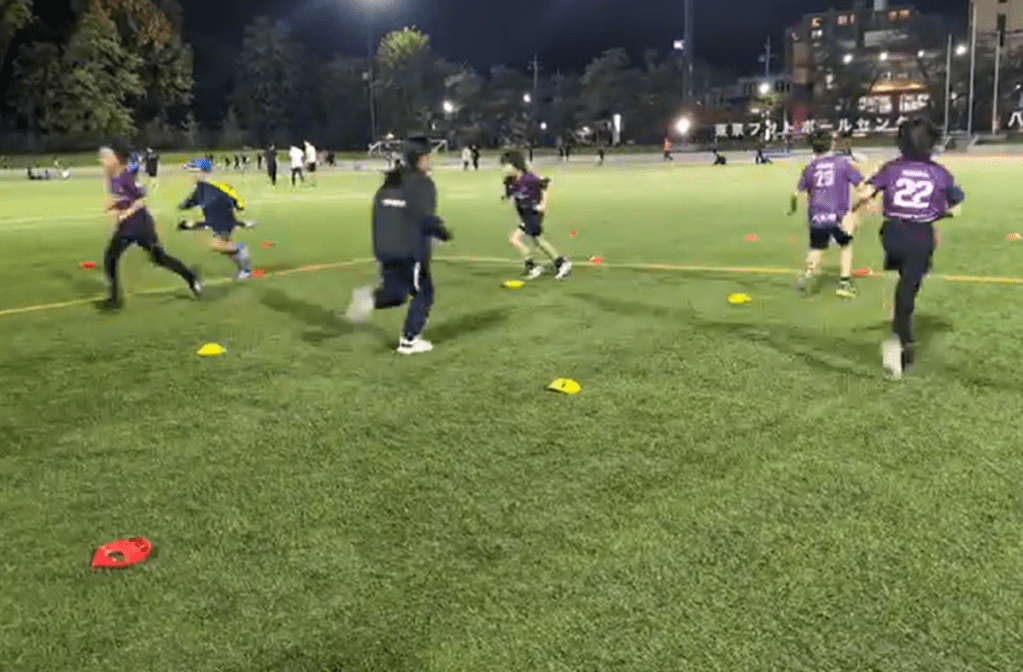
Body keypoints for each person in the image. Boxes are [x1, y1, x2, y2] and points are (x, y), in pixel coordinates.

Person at [851, 118, 965, 380]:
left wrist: (852, 212)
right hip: (920, 235)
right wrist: (940, 212)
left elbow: (866, 193)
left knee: (903, 271)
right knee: (909, 286)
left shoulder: (891, 168)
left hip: (892, 233)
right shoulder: (940, 173)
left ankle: (899, 333)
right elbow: (957, 207)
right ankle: (901, 340)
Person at [345, 136, 453, 355]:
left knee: (396, 294)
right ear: (420, 158)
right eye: (429, 156)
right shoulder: (423, 183)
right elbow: (425, 218)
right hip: (409, 250)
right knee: (423, 292)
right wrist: (443, 233)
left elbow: (380, 215)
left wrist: (382, 247)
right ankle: (409, 341)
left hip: (385, 248)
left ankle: (369, 300)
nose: (431, 160)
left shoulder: (390, 182)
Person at [98, 144, 202, 310]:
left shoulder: (126, 177)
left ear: (115, 159)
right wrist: (113, 208)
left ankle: (191, 277)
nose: (101, 161)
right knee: (115, 257)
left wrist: (125, 213)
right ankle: (115, 299)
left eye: (105, 158)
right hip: (128, 226)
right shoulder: (113, 179)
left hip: (140, 225)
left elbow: (141, 199)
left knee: (153, 258)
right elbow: (123, 198)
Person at [789, 129, 864, 298]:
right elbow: (863, 189)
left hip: (816, 215)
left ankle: (808, 275)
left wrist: (792, 208)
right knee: (845, 245)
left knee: (817, 247)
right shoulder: (843, 163)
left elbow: (795, 194)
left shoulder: (810, 168)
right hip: (838, 214)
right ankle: (844, 282)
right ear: (832, 143)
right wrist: (853, 210)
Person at [177, 158, 257, 280]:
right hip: (218, 218)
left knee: (217, 244)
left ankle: (241, 251)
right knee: (224, 245)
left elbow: (226, 202)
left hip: (222, 219)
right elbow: (194, 199)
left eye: (194, 171)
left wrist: (195, 224)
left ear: (202, 172)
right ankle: (243, 269)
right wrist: (185, 205)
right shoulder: (202, 186)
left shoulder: (213, 189)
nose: (192, 175)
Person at [502, 150, 571, 280]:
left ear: (516, 165)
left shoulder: (529, 178)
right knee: (537, 241)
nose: (505, 169)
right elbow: (511, 195)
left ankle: (535, 266)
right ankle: (559, 262)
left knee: (517, 239)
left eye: (507, 165)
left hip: (533, 213)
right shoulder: (510, 181)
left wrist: (543, 204)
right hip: (525, 215)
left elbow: (543, 185)